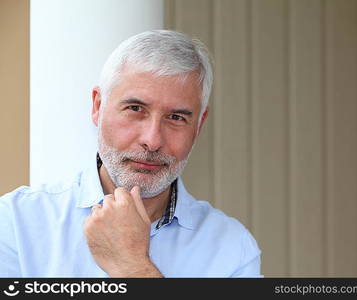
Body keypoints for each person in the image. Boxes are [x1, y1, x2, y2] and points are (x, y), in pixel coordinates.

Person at [0, 30, 262, 277]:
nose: (152, 140)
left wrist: (134, 268)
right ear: (98, 107)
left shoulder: (233, 250)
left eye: (175, 117)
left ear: (199, 125)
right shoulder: (15, 223)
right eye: (135, 108)